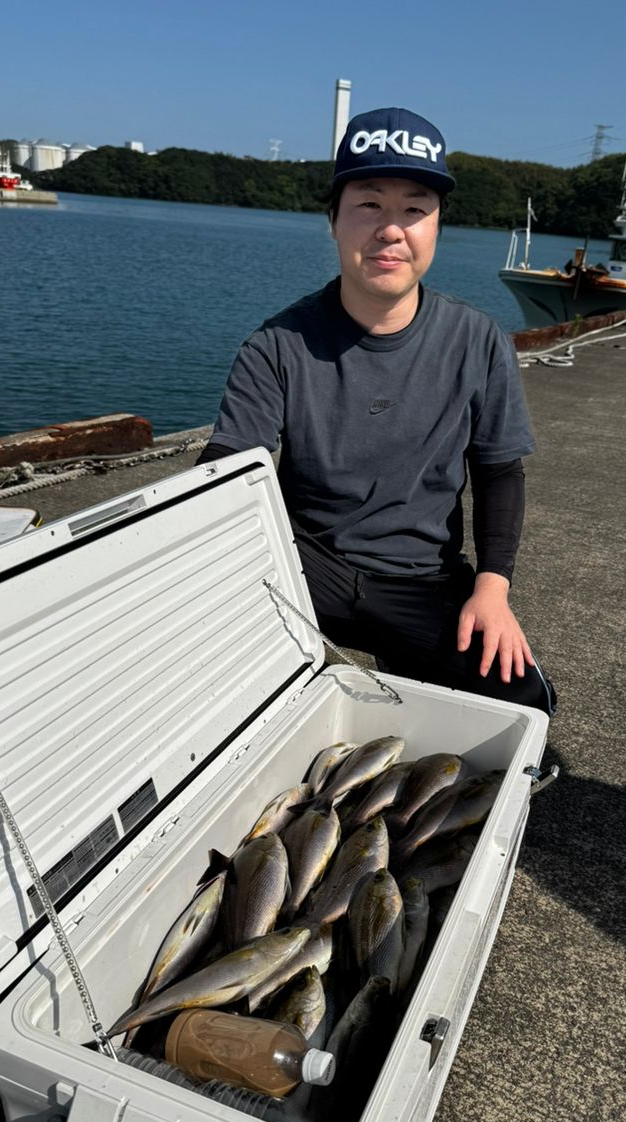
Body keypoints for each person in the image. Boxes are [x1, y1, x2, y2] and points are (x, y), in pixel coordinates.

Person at [198, 106, 555, 715]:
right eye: (369, 205)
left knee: (523, 706)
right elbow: (226, 468)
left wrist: (492, 588)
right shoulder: (278, 345)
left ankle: (408, 651)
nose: (392, 230)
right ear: (333, 220)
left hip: (423, 577)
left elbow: (500, 470)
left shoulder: (477, 340)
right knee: (212, 685)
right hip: (305, 562)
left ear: (437, 225)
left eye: (414, 209)